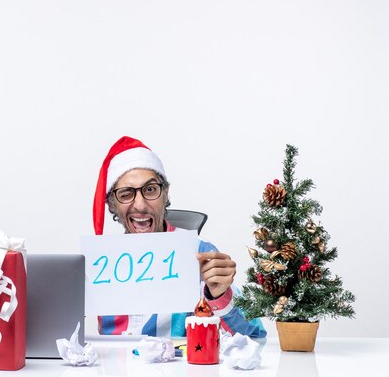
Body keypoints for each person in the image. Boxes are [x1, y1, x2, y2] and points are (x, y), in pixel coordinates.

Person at [93, 136, 266, 338]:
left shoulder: (200, 253)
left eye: (150, 190)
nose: (139, 205)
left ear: (165, 194)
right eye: (125, 194)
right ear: (112, 204)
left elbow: (255, 335)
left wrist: (219, 294)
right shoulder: (99, 265)